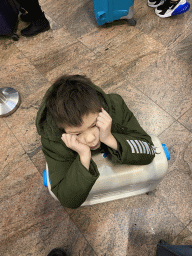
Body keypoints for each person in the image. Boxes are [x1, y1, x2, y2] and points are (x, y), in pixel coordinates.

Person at [36, 75, 156, 209]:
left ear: (101, 109)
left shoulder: (115, 106)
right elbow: (68, 199)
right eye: (77, 133)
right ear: (63, 130)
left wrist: (110, 139)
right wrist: (84, 156)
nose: (90, 139)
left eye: (94, 125)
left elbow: (149, 151)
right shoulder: (53, 140)